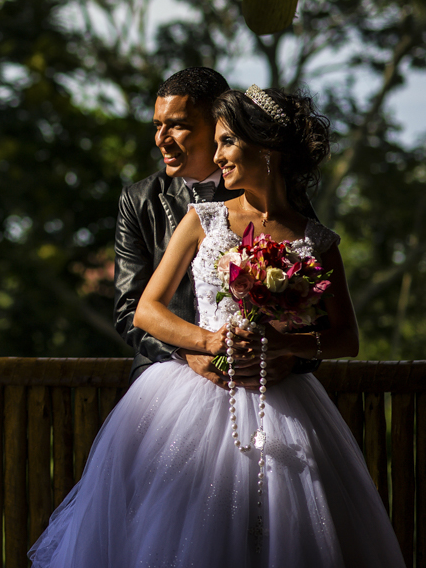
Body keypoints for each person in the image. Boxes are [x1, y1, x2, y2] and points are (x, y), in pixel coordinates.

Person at [29, 86, 404, 568]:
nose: (218, 155)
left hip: (284, 404)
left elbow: (346, 338)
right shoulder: (203, 219)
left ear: (265, 149)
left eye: (228, 142)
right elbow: (145, 310)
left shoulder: (316, 238)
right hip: (188, 402)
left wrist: (283, 345)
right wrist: (208, 342)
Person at [114, 67, 305, 389]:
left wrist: (291, 356)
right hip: (164, 376)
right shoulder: (138, 200)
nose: (161, 139)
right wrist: (186, 351)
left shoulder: (274, 192)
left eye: (178, 126)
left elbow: (315, 299)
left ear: (217, 123)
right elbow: (128, 310)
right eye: (158, 125)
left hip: (265, 381)